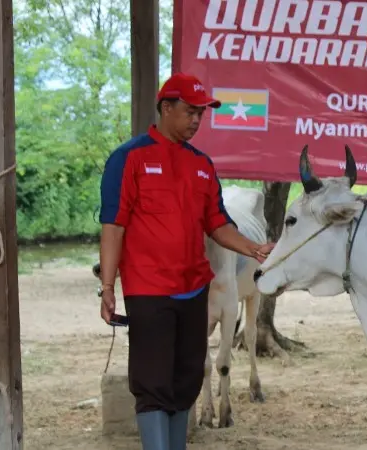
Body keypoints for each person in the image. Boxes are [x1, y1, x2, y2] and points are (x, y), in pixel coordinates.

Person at [97, 72, 275, 450]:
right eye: (190, 111)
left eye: (202, 113)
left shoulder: (202, 165)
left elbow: (217, 223)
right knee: (152, 383)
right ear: (165, 108)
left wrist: (253, 248)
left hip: (194, 290)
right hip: (148, 290)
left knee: (185, 380)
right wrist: (108, 286)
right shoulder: (128, 158)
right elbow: (113, 225)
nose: (197, 120)